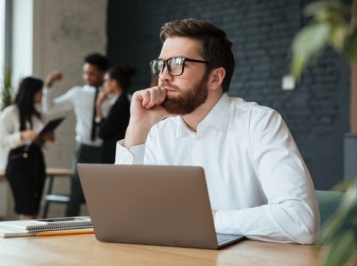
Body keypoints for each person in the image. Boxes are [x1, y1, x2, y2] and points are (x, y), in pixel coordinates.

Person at [115, 19, 320, 244]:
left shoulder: (259, 123)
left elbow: (300, 220)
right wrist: (138, 126)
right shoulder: (157, 132)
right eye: (161, 65)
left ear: (215, 78)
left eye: (177, 64)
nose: (163, 76)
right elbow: (124, 217)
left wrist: (205, 220)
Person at [42, 53, 111, 217]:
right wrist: (48, 86)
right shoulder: (77, 93)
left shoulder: (113, 95)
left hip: (106, 150)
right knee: (76, 195)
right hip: (84, 150)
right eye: (85, 73)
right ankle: (67, 231)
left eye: (91, 73)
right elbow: (49, 109)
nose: (87, 77)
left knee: (105, 196)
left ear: (102, 73)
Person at [0, 77, 55, 220]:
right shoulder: (10, 113)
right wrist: (22, 135)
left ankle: (28, 240)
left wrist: (49, 139)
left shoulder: (39, 115)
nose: (42, 95)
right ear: (31, 92)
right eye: (39, 91)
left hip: (36, 162)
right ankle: (27, 241)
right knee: (27, 208)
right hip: (18, 163)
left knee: (34, 208)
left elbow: (46, 146)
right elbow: (3, 140)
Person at [95, 65, 135, 163]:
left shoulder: (121, 104)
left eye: (106, 81)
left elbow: (103, 131)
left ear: (114, 82)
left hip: (113, 153)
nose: (104, 84)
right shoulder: (121, 101)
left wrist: (98, 105)